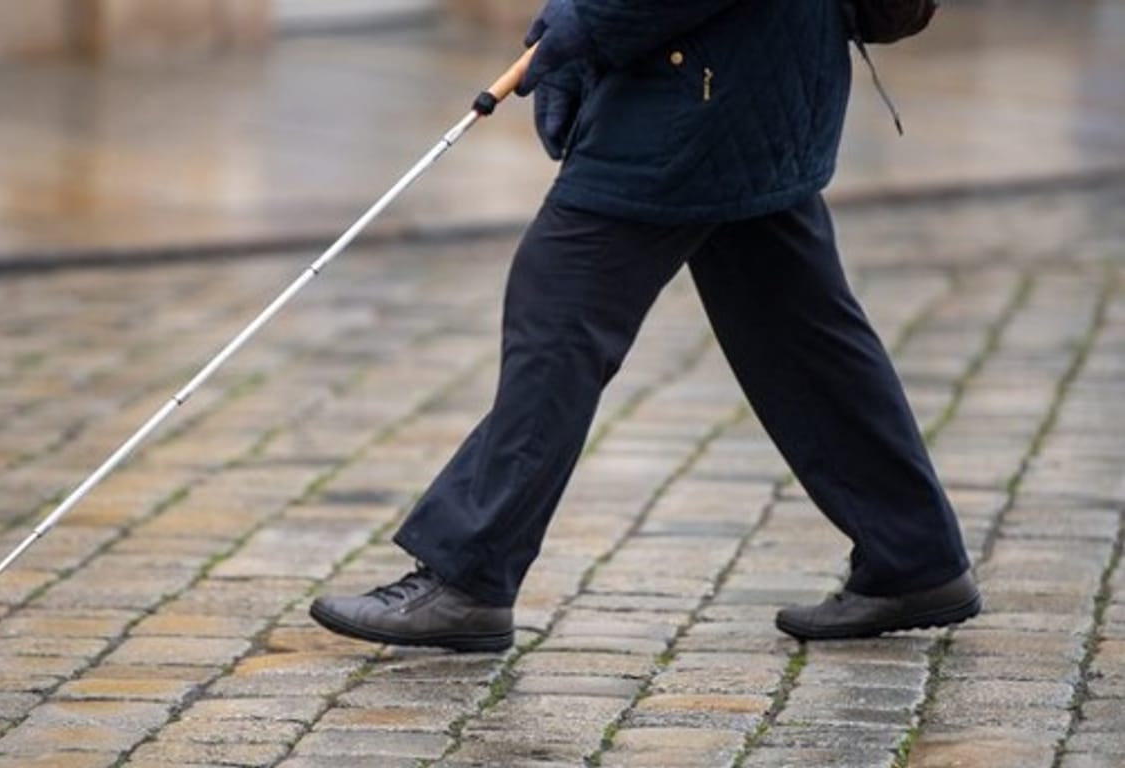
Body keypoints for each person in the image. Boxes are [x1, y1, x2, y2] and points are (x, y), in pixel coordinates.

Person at [309, 0, 981, 651]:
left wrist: (591, 21)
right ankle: (913, 553)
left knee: (561, 305)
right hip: (758, 74)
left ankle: (468, 574)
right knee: (798, 326)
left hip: (703, 90)